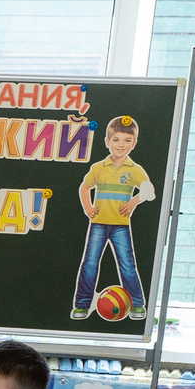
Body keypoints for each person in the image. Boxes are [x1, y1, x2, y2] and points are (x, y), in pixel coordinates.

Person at [73, 116, 154, 322]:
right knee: (90, 264)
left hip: (120, 226)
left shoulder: (135, 170)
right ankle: (82, 304)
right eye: (116, 139)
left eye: (127, 140)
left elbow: (149, 191)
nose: (121, 145)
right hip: (98, 224)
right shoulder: (99, 167)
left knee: (127, 264)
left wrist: (134, 201)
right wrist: (87, 207)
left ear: (134, 144)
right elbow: (84, 187)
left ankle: (137, 303)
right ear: (107, 141)